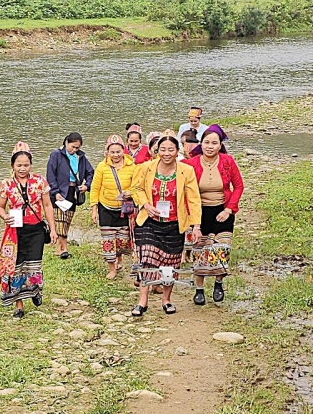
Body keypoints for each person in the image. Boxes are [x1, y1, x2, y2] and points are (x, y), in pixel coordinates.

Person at [129, 132, 201, 318]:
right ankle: (142, 301)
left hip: (174, 224)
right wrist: (146, 205)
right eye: (162, 149)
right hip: (148, 222)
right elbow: (136, 188)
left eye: (171, 150)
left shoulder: (186, 171)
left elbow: (193, 199)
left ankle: (166, 300)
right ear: (156, 151)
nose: (166, 153)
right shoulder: (146, 168)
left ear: (177, 151)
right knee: (146, 259)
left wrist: (196, 226)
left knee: (171, 262)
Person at [184, 125, 243, 305]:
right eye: (207, 142)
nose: (210, 146)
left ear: (220, 145)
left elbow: (238, 186)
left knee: (221, 249)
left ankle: (218, 284)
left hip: (222, 211)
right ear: (201, 144)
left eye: (214, 143)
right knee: (200, 250)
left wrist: (229, 209)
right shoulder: (190, 164)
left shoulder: (228, 161)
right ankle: (199, 289)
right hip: (198, 213)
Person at [0, 142, 56, 318]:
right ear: (12, 165)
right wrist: (4, 216)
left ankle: (35, 291)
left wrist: (53, 229)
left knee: (34, 264)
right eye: (19, 165)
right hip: (15, 231)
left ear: (31, 164)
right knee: (17, 266)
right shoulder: (6, 184)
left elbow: (47, 205)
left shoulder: (39, 181)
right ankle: (19, 305)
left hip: (36, 229)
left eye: (26, 165)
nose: (22, 169)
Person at [88, 134, 138, 280]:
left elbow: (137, 186)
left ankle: (119, 257)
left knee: (122, 240)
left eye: (118, 152)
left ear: (124, 151)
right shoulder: (102, 166)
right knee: (108, 239)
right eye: (112, 152)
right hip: (106, 207)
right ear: (107, 152)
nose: (115, 155)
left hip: (124, 208)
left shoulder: (132, 166)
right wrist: (94, 209)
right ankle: (111, 267)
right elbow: (95, 187)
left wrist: (130, 192)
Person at [45, 132, 93, 259]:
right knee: (60, 220)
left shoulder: (81, 157)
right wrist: (55, 192)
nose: (75, 150)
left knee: (67, 220)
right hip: (59, 192)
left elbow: (90, 172)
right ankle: (64, 249)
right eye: (73, 147)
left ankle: (59, 248)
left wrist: (87, 185)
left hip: (73, 192)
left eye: (77, 148)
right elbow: (50, 175)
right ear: (66, 142)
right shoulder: (56, 155)